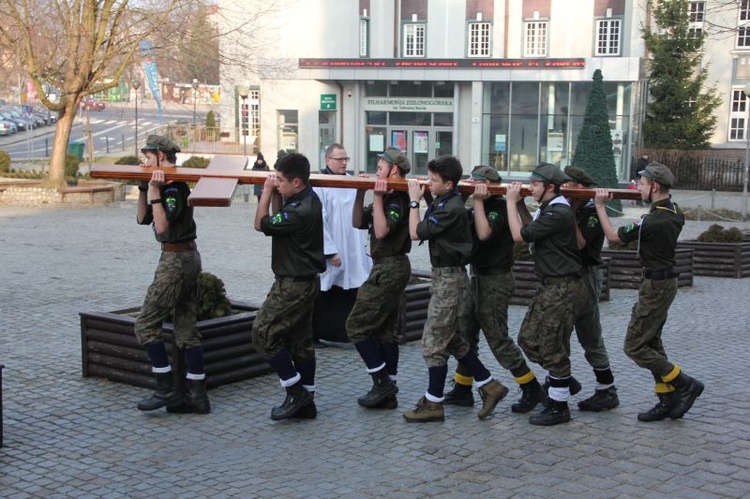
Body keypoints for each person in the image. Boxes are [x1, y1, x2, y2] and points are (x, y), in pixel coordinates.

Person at [594, 162, 703, 422]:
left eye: (641, 184)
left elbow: (612, 235)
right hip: (664, 283)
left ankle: (685, 383)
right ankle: (667, 398)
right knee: (652, 342)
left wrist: (599, 205)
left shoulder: (652, 222)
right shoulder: (673, 211)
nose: (637, 187)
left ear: (654, 186)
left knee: (634, 346)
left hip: (655, 286)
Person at [404, 155, 508, 423]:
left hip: (450, 280)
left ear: (449, 184)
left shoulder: (451, 207)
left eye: (434, 180)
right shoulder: (446, 200)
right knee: (453, 341)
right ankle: (489, 385)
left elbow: (416, 232)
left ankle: (433, 403)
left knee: (432, 343)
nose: (429, 183)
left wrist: (413, 199)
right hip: (445, 278)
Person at [444, 165, 547, 414]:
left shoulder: (498, 209)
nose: (471, 184)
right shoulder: (477, 207)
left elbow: (484, 233)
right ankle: (462, 387)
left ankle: (531, 387)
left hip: (495, 280)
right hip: (477, 276)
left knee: (498, 338)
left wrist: (477, 202)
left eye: (476, 182)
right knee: (465, 333)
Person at [134, 134, 209, 415]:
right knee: (187, 329)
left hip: (177, 259)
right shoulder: (161, 185)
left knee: (145, 325)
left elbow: (162, 229)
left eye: (148, 156)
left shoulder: (175, 188)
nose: (144, 160)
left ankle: (165, 386)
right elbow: (144, 219)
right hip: (183, 257)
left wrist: (155, 193)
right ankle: (197, 396)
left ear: (160, 157)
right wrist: (145, 190)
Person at [505, 163, 586, 426]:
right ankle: (563, 378)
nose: (530, 188)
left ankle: (559, 406)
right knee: (527, 339)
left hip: (563, 287)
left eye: (535, 184)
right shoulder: (548, 209)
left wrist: (509, 202)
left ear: (550, 187)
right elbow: (532, 233)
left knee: (552, 346)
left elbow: (519, 236)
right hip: (550, 286)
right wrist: (519, 206)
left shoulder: (559, 212)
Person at [252, 152, 326, 420]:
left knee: (262, 333)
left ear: (296, 182)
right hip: (303, 281)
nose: (276, 183)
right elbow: (278, 218)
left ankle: (296, 392)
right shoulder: (305, 198)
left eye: (280, 180)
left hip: (293, 285)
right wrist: (276, 193)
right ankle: (306, 402)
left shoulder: (300, 210)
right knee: (300, 342)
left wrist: (266, 191)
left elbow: (261, 224)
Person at [347, 147, 412, 409]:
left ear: (393, 169)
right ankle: (388, 393)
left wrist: (375, 195)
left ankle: (382, 382)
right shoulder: (383, 197)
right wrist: (360, 190)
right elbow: (356, 222)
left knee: (356, 326)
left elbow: (382, 231)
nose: (376, 169)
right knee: (386, 332)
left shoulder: (397, 200)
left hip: (391, 267)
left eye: (381, 165)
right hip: (384, 266)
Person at [563, 165, 619, 412]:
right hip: (567, 275)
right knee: (558, 331)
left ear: (580, 188)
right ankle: (560, 380)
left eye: (569, 184)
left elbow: (579, 243)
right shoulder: (567, 206)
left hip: (586, 275)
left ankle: (607, 389)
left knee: (589, 334)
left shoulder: (591, 212)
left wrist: (572, 212)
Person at [312, 143, 372, 343]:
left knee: (354, 284)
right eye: (340, 159)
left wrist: (362, 185)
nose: (344, 163)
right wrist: (330, 251)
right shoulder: (320, 184)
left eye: (346, 159)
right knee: (328, 287)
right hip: (335, 244)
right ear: (328, 160)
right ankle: (323, 332)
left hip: (353, 245)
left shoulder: (350, 181)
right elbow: (319, 220)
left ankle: (348, 333)